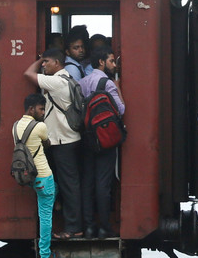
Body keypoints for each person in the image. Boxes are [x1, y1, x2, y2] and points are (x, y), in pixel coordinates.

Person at [25, 49, 84, 238]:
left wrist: (38, 58)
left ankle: (74, 227)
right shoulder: (66, 79)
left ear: (57, 63)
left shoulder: (57, 82)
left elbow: (27, 74)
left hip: (62, 141)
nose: (43, 65)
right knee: (68, 183)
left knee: (69, 184)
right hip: (67, 138)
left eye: (46, 62)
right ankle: (70, 222)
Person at [79, 46, 124, 238]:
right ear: (101, 62)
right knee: (103, 185)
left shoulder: (82, 82)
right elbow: (121, 110)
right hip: (105, 140)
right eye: (112, 61)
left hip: (87, 139)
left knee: (87, 182)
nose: (114, 65)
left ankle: (89, 227)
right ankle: (105, 226)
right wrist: (118, 87)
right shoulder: (108, 83)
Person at [15, 93, 59, 258]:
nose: (43, 112)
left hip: (29, 177)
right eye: (41, 109)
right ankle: (45, 254)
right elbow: (47, 143)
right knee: (45, 216)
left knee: (51, 196)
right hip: (43, 175)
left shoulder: (15, 126)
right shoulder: (40, 127)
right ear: (31, 109)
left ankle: (57, 201)